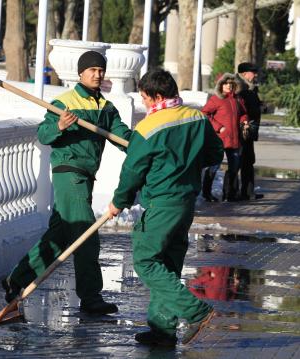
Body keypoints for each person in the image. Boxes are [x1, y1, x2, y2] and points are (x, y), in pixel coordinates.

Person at [1, 51, 132, 316]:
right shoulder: (64, 102)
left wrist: (145, 149)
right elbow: (43, 135)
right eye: (92, 70)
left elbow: (122, 137)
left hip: (86, 176)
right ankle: (91, 297)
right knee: (86, 233)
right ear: (81, 73)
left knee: (61, 236)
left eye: (101, 70)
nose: (98, 74)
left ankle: (16, 279)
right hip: (68, 172)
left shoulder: (105, 108)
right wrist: (59, 124)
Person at [108, 69, 224, 346]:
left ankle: (196, 311)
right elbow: (214, 153)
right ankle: (163, 329)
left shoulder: (149, 127)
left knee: (146, 261)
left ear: (157, 96)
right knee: (168, 264)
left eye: (146, 98)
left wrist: (119, 201)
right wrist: (186, 163)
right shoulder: (196, 118)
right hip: (186, 202)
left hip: (161, 202)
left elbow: (133, 170)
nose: (145, 104)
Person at [201, 73, 248, 202]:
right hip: (219, 140)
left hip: (234, 139)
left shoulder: (238, 99)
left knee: (234, 168)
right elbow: (204, 114)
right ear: (221, 85)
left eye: (231, 84)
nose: (229, 86)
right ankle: (206, 194)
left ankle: (229, 194)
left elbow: (243, 113)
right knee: (214, 167)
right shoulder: (216, 99)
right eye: (226, 84)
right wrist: (218, 127)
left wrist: (245, 121)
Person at [235, 62, 264, 200]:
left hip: (249, 130)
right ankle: (234, 193)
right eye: (253, 72)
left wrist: (260, 106)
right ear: (245, 74)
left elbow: (254, 105)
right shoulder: (239, 87)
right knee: (240, 161)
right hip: (242, 130)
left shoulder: (250, 87)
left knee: (248, 160)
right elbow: (239, 109)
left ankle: (248, 192)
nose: (256, 75)